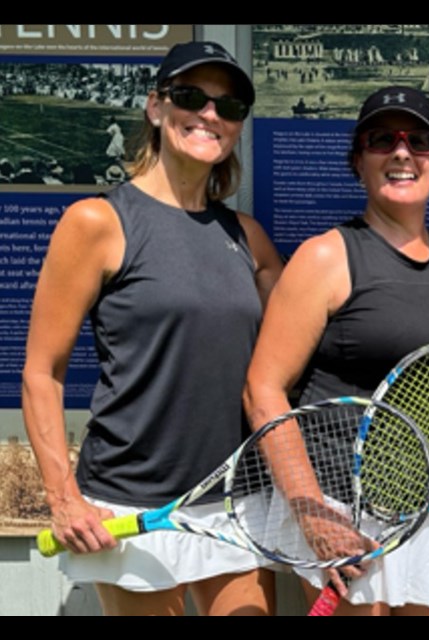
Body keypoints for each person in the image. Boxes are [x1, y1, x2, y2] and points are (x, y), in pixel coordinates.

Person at [21, 40, 284, 616]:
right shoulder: (97, 222)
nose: (210, 115)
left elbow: (302, 351)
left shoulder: (249, 239)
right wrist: (63, 499)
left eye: (229, 106)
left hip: (235, 502)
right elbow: (42, 373)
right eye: (192, 97)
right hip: (130, 503)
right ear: (156, 107)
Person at [243, 85, 429, 616]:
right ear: (359, 162)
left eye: (419, 141)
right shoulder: (324, 257)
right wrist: (312, 515)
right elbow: (263, 390)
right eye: (383, 140)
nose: (402, 152)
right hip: (343, 512)